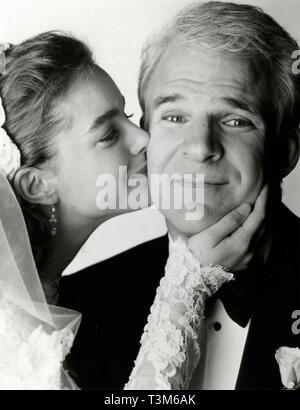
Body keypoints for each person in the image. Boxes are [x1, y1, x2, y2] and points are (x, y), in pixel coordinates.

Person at [59, 1, 300, 390]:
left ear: (285, 151)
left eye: (236, 120)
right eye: (174, 117)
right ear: (145, 138)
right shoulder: (73, 309)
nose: (201, 147)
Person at [0, 30, 259, 389]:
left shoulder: (50, 296)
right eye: (108, 134)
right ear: (38, 184)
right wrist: (185, 287)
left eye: (129, 116)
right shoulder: (9, 332)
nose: (143, 139)